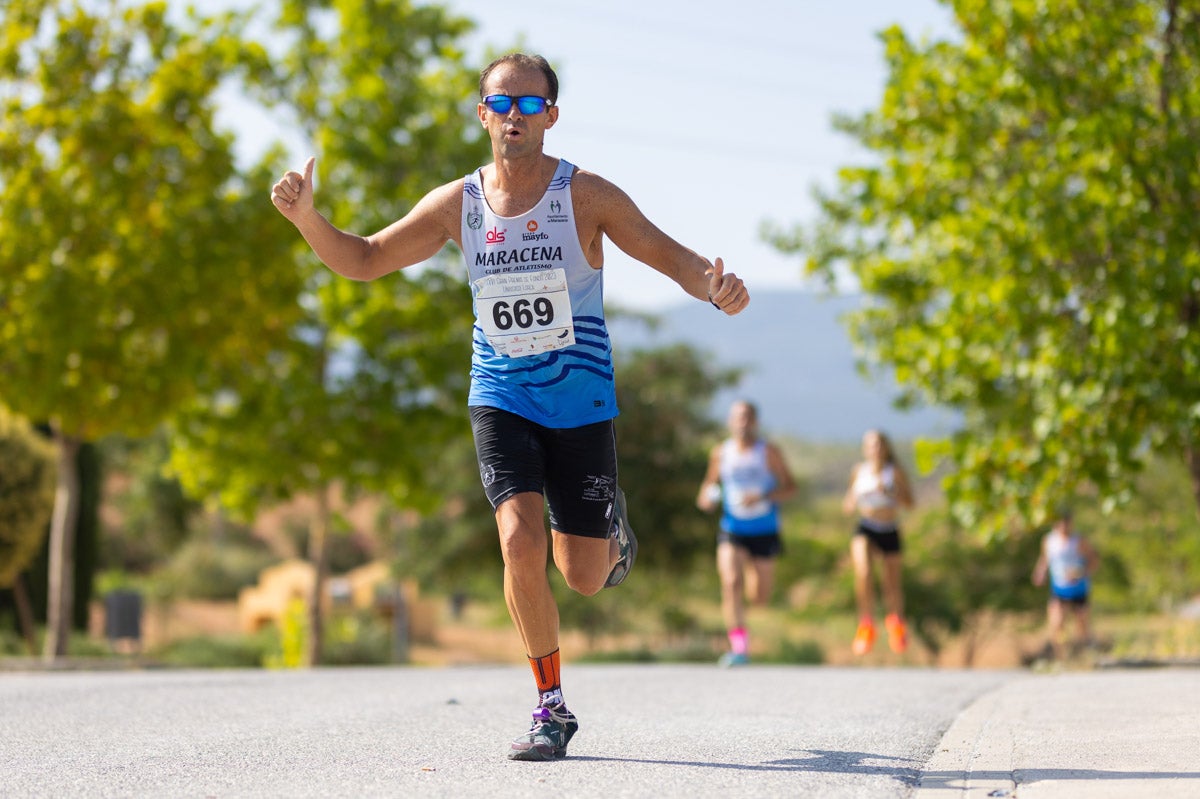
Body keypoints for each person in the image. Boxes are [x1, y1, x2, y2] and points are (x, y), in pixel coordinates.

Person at [270, 52, 749, 761]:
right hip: (501, 394)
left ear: (551, 116)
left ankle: (612, 528)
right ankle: (550, 706)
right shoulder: (457, 204)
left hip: (581, 401)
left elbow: (669, 257)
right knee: (519, 539)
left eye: (530, 106)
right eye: (502, 104)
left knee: (584, 575)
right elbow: (366, 256)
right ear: (481, 113)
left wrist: (715, 288)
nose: (514, 117)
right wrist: (307, 218)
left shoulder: (586, 195)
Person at [696, 400, 796, 666]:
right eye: (737, 417)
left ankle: (752, 579)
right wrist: (707, 498)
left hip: (764, 530)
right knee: (730, 582)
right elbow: (709, 485)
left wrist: (763, 495)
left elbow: (791, 487)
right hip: (732, 528)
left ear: (755, 422)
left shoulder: (769, 452)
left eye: (747, 418)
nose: (742, 422)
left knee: (759, 598)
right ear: (730, 421)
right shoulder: (721, 453)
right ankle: (739, 647)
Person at [841, 429, 914, 655]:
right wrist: (856, 499)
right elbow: (847, 506)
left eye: (879, 445)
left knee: (891, 583)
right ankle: (866, 624)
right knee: (863, 572)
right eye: (871, 445)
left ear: (886, 448)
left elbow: (910, 503)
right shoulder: (858, 471)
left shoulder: (895, 472)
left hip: (889, 528)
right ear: (865, 449)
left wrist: (890, 493)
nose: (875, 449)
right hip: (866, 527)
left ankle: (896, 624)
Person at [1031, 508, 1098, 661]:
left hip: (1079, 588)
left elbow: (1094, 560)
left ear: (1071, 524)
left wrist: (1081, 572)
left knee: (1082, 624)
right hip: (1059, 588)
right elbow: (1045, 559)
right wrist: (1040, 572)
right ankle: (1061, 656)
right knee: (1056, 622)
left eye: (1066, 523)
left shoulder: (1079, 541)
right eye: (1060, 523)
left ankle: (1085, 654)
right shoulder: (1049, 540)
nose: (1063, 526)